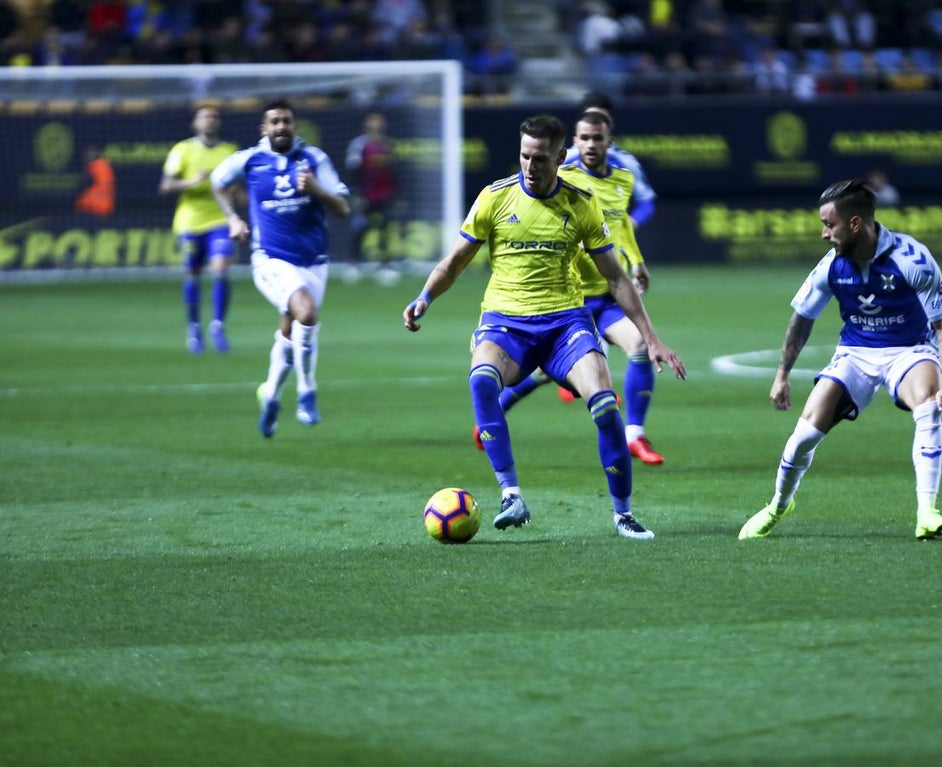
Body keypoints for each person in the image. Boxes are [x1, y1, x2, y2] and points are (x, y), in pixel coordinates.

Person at [402, 114, 686, 540]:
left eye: (540, 159)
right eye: (525, 156)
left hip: (565, 325)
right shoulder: (495, 197)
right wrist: (425, 297)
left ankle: (623, 514)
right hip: (506, 324)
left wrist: (651, 337)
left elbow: (615, 277)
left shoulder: (581, 203)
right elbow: (455, 261)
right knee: (481, 379)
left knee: (605, 406)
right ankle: (511, 495)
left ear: (560, 156)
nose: (530, 167)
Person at [738, 179, 942, 542]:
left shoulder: (912, 259)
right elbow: (802, 318)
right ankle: (778, 505)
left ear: (856, 224)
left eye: (829, 225)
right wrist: (782, 375)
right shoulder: (831, 266)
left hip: (909, 350)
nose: (824, 234)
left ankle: (927, 512)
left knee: (928, 404)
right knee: (803, 436)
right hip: (856, 353)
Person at [489, 110, 666, 465]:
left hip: (607, 296)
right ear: (574, 142)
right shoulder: (564, 180)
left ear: (609, 142)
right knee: (545, 371)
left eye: (597, 138)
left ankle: (634, 435)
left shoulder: (623, 179)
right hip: (571, 301)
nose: (590, 144)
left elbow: (621, 226)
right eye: (584, 138)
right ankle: (495, 411)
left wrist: (636, 261)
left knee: (639, 346)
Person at [210, 98, 351, 437]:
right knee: (307, 313)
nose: (281, 127)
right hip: (270, 259)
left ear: (294, 125)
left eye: (286, 121)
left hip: (314, 261)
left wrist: (315, 189)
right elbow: (217, 182)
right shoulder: (249, 160)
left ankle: (271, 394)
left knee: (291, 329)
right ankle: (307, 392)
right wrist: (232, 218)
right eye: (274, 122)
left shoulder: (314, 159)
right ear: (264, 128)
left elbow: (343, 209)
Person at [160, 106, 238, 354]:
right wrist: (191, 182)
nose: (210, 120)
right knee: (193, 273)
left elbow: (239, 186)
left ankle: (218, 326)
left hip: (220, 220)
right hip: (190, 222)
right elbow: (166, 185)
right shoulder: (182, 150)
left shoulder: (229, 152)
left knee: (221, 269)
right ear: (195, 123)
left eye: (214, 117)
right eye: (205, 117)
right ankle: (194, 327)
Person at [565, 90, 657, 233]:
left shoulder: (626, 163)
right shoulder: (563, 161)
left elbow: (646, 201)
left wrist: (631, 223)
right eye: (590, 117)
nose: (594, 123)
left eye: (601, 118)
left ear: (610, 124)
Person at [344, 111, 397, 264]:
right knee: (359, 226)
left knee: (385, 228)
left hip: (384, 194)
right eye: (373, 127)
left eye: (379, 127)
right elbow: (353, 171)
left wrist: (395, 193)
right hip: (365, 195)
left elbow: (393, 172)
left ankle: (385, 263)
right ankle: (353, 261)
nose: (376, 130)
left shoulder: (388, 144)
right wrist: (356, 194)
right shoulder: (358, 145)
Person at [74, 146, 115, 218]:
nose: (86, 156)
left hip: (92, 207)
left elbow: (83, 182)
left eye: (89, 154)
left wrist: (85, 167)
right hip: (105, 209)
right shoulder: (106, 166)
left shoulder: (94, 166)